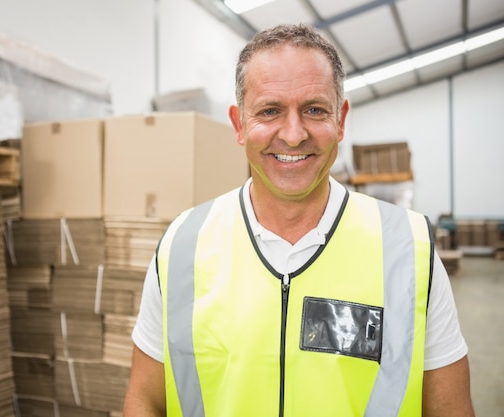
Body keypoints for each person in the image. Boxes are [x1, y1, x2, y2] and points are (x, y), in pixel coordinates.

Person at [123, 23, 475, 417]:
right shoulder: (182, 245)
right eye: (270, 110)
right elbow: (145, 400)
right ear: (240, 125)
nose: (293, 135)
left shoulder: (410, 252)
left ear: (340, 119)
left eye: (314, 110)